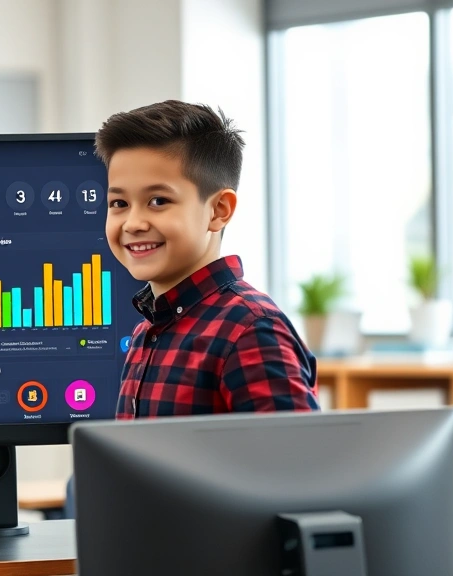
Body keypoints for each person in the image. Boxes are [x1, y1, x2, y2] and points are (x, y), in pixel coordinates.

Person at [96, 100, 319, 418]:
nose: (133, 223)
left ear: (218, 211)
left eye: (158, 201)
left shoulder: (250, 331)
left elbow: (298, 450)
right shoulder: (147, 331)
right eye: (119, 203)